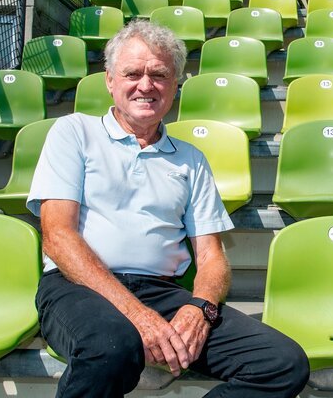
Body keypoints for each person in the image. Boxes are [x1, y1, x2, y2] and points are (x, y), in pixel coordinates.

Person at [27, 20, 309, 398]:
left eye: (159, 75)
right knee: (112, 347)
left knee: (281, 363)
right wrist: (136, 314)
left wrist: (200, 309)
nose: (146, 85)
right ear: (110, 80)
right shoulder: (73, 132)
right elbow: (58, 237)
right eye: (133, 73)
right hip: (77, 288)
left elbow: (211, 257)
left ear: (174, 86)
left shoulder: (191, 160)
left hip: (161, 292)